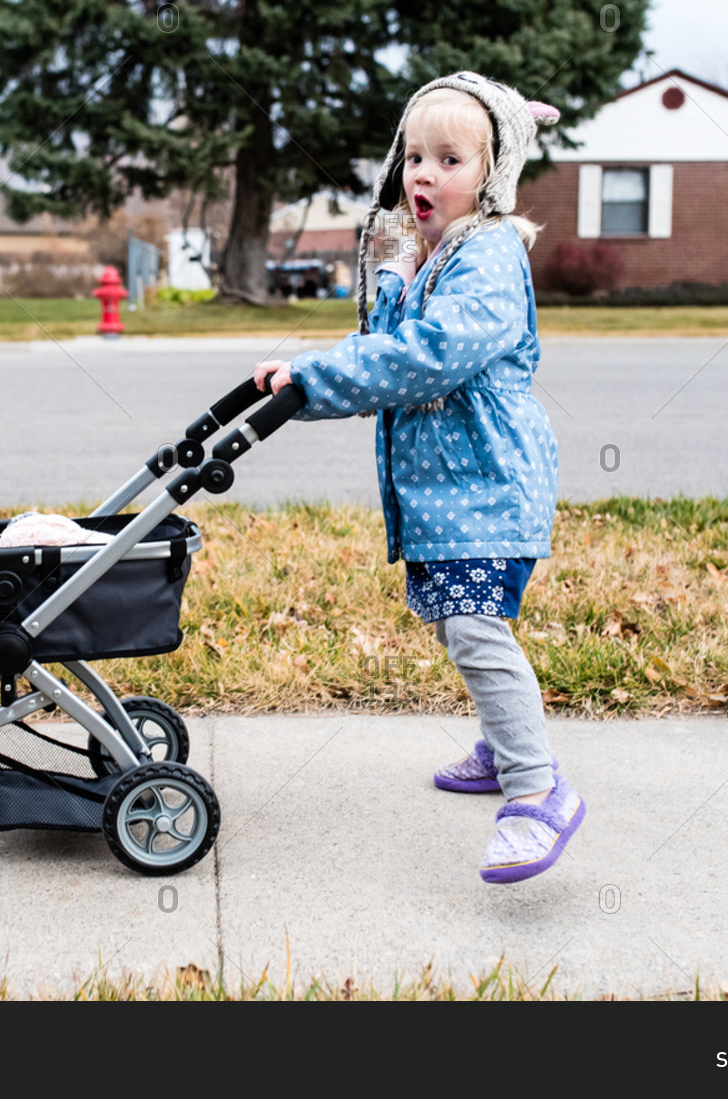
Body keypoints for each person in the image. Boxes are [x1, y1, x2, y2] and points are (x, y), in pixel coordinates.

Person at [252, 72, 582, 884]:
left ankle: (538, 790)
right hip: (447, 492)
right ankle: (502, 743)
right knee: (459, 621)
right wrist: (395, 276)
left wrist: (312, 381)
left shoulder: (493, 257)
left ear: (492, 178)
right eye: (414, 156)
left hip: (489, 485)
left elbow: (426, 357)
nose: (422, 174)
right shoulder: (440, 253)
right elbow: (397, 333)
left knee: (474, 626)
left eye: (450, 158)